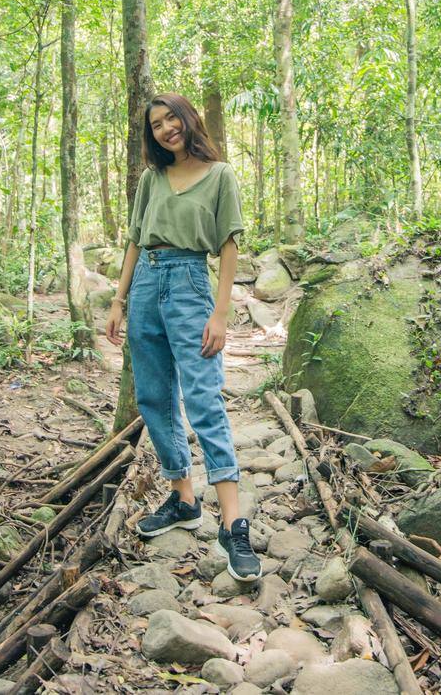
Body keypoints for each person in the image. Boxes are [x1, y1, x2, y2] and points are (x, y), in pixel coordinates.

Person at [106, 93, 262, 582]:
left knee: (203, 398)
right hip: (147, 286)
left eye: (171, 117)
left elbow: (229, 244)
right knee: (153, 396)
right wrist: (118, 299)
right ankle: (184, 497)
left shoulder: (220, 175)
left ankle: (235, 523)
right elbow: (134, 239)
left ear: (188, 119)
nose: (166, 128)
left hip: (191, 283)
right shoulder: (151, 180)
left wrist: (221, 312)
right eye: (155, 125)